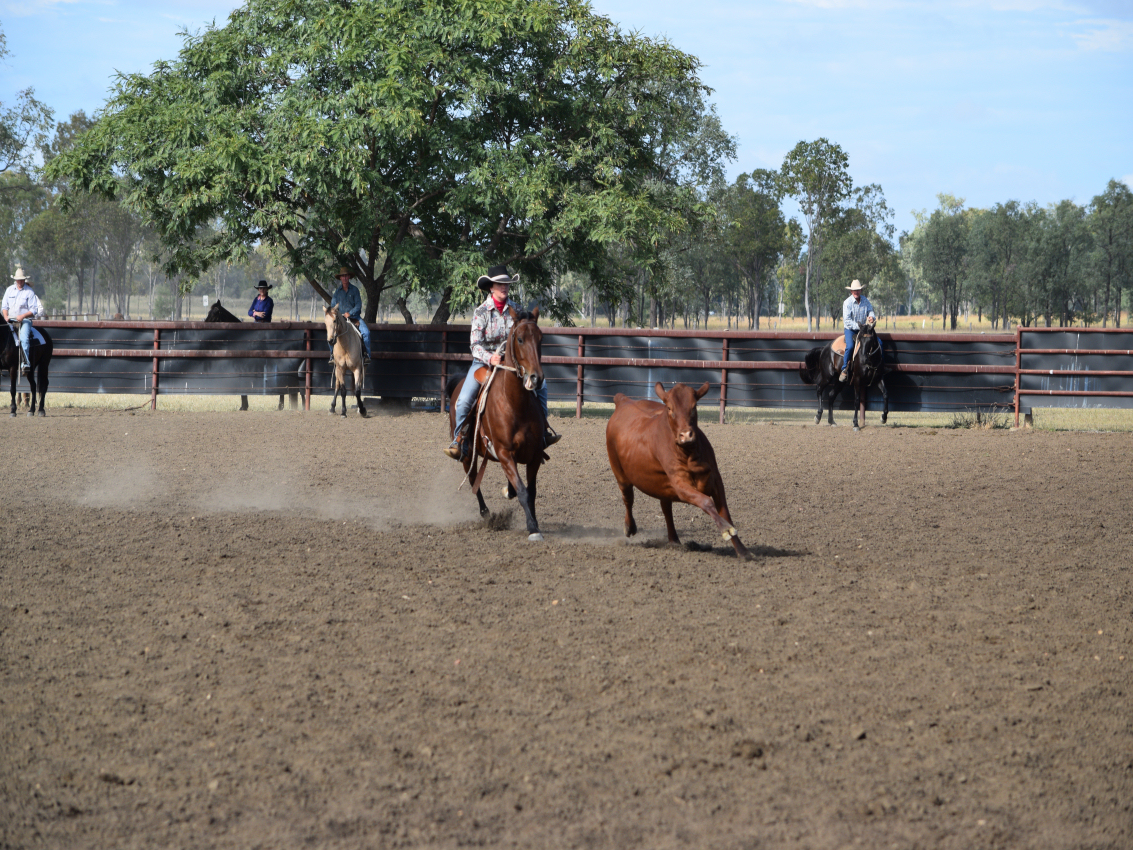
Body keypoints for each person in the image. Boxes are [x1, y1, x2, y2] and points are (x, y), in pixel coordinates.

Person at [444, 264, 561, 460]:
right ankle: (459, 439)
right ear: (491, 287)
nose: (504, 287)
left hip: (512, 364)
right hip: (484, 364)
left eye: (506, 284)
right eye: (499, 284)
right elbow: (475, 344)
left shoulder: (517, 310)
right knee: (463, 400)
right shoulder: (481, 312)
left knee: (542, 387)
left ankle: (542, 431)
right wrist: (490, 357)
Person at [2, 267, 42, 376]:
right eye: (18, 280)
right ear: (15, 280)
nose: (19, 282)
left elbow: (34, 310)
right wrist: (5, 316)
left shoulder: (29, 292)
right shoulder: (9, 290)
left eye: (21, 280)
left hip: (25, 321)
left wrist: (23, 316)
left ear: (24, 280)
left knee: (24, 338)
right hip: (10, 320)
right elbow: (4, 306)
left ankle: (25, 363)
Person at [839, 278, 879, 382]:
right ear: (851, 291)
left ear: (860, 290)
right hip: (851, 329)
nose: (856, 292)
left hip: (864, 329)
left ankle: (880, 367)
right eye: (854, 290)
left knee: (879, 343)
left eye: (858, 290)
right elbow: (847, 321)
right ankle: (844, 368)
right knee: (850, 347)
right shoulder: (847, 303)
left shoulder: (865, 300)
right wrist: (860, 327)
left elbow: (870, 310)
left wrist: (871, 317)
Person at [329, 267, 370, 364]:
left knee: (366, 333)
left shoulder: (355, 290)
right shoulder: (337, 292)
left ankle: (366, 355)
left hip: (355, 318)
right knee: (330, 334)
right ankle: (332, 356)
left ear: (349, 277)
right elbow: (333, 307)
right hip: (341, 319)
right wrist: (339, 315)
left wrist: (350, 313)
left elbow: (358, 305)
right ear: (340, 278)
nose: (344, 278)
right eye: (342, 276)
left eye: (346, 276)